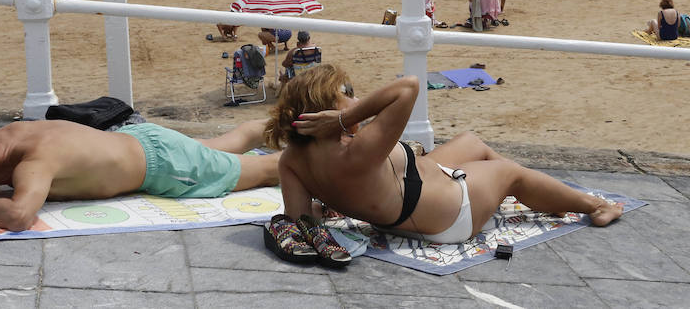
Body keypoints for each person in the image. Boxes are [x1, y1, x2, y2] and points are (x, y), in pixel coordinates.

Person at [262, 68, 621, 260]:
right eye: (348, 98)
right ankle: (596, 205)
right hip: (448, 217)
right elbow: (408, 87)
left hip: (408, 205)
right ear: (326, 111)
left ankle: (536, 196)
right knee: (510, 173)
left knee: (471, 143)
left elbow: (299, 221)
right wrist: (342, 121)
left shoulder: (293, 160)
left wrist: (331, 205)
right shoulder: (356, 151)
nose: (356, 101)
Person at [0, 118, 279, 233]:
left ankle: (330, 133)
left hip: (168, 168)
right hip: (140, 138)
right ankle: (289, 114)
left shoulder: (34, 164)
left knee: (268, 169)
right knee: (229, 143)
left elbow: (18, 217)